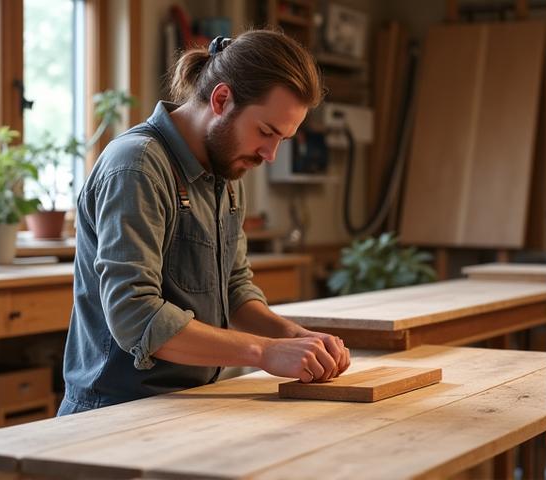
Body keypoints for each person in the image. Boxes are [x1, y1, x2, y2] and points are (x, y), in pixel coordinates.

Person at [57, 30, 351, 416]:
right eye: (265, 132)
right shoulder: (137, 166)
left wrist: (295, 336)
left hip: (183, 403)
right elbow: (135, 313)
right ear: (221, 99)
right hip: (113, 411)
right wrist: (264, 351)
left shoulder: (225, 175)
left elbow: (234, 288)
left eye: (282, 139)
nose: (270, 154)